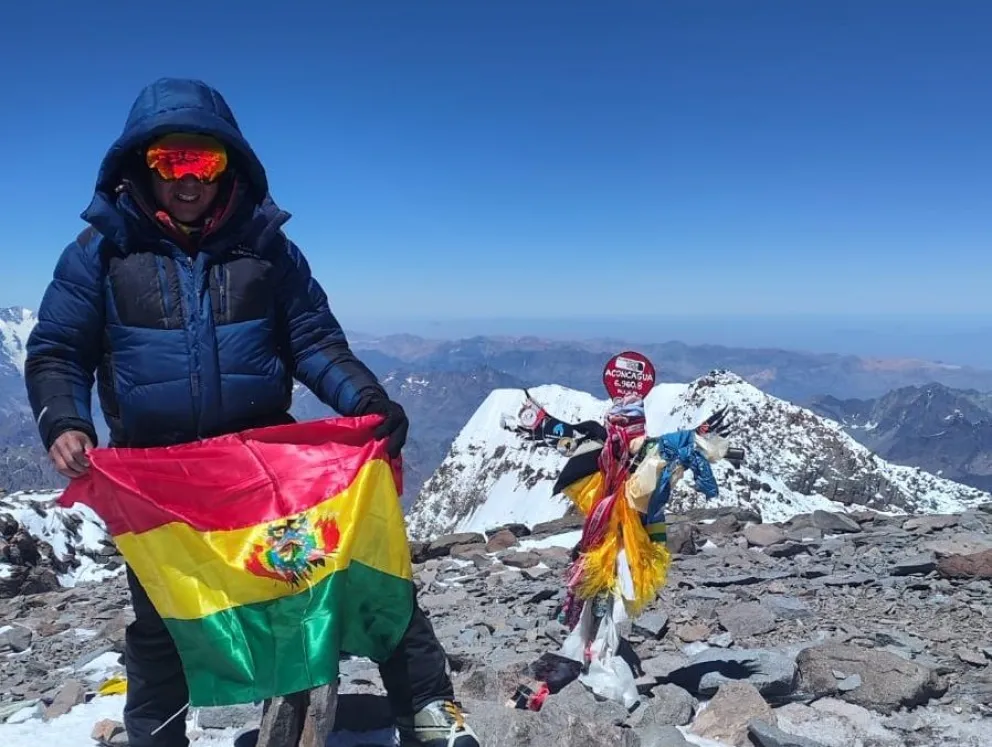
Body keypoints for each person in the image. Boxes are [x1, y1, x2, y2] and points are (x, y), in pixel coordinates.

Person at [24, 77, 480, 747]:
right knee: (164, 621)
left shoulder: (265, 250)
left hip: (265, 470)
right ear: (141, 167)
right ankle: (158, 737)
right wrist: (64, 419)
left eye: (202, 161)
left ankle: (429, 714)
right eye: (170, 161)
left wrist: (365, 401)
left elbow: (314, 341)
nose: (188, 179)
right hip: (164, 481)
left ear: (229, 164)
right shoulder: (101, 254)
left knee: (360, 574)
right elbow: (58, 349)